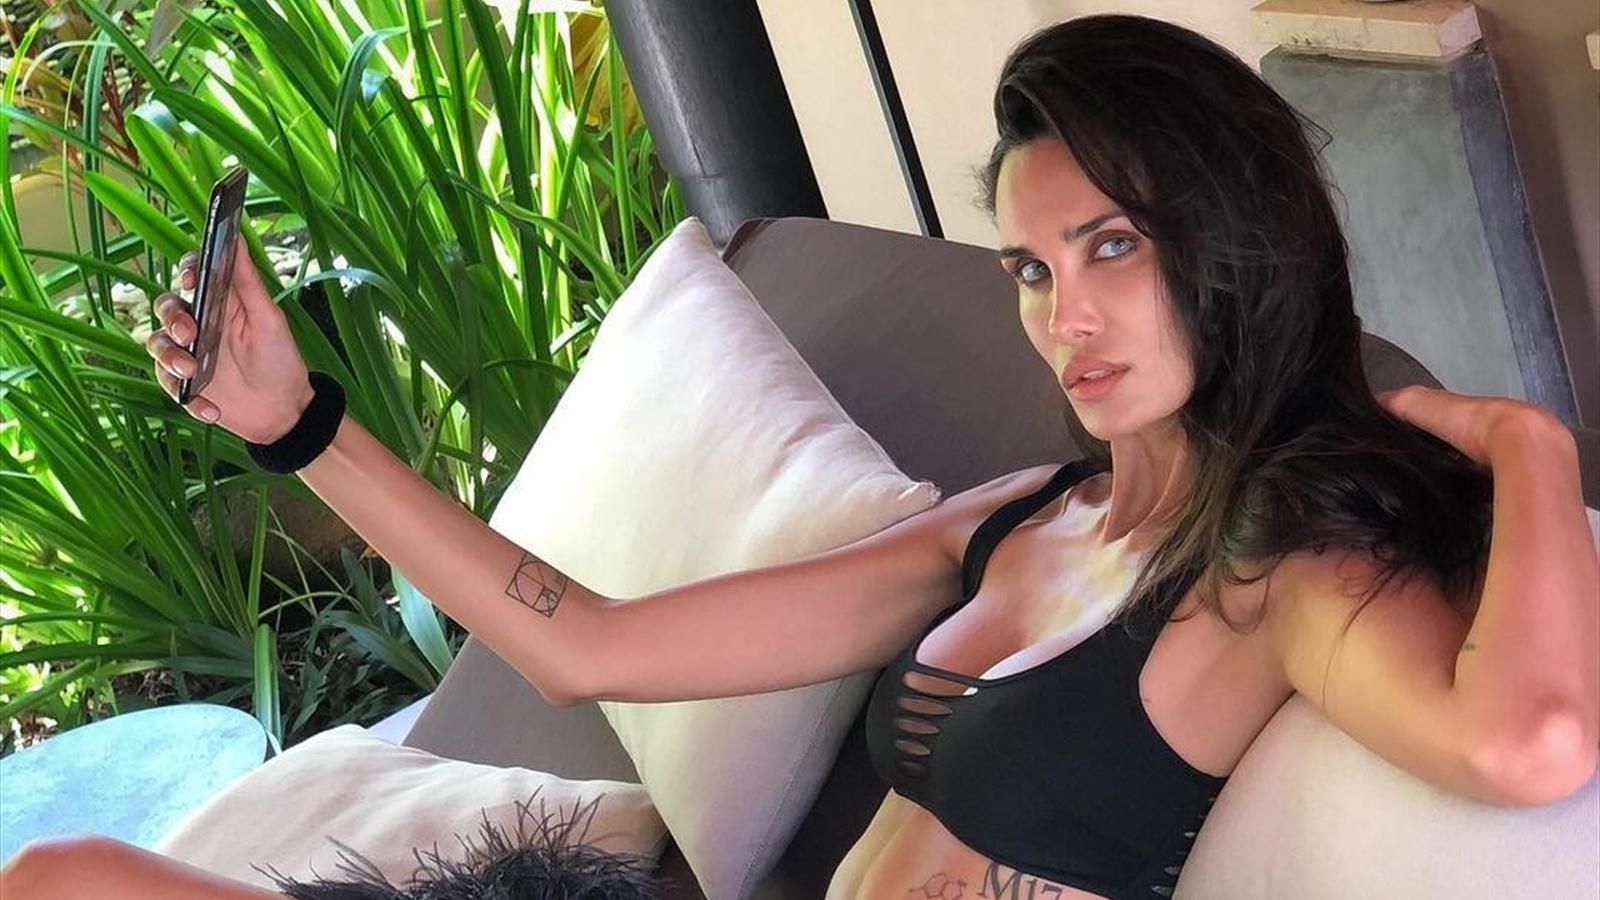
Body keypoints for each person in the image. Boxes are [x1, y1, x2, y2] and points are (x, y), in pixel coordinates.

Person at [4, 12, 1595, 900]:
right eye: (1032, 268)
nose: (1065, 317)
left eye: (1112, 246)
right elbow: (589, 646)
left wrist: (1526, 444)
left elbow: (1531, 744)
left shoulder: (1273, 576)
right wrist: (298, 428)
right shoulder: (1019, 517)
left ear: (1232, 240)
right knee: (67, 878)